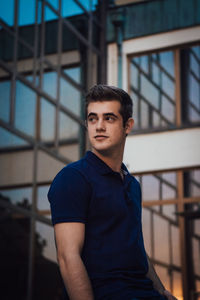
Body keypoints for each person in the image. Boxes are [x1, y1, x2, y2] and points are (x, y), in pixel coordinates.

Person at [48, 84, 178, 300]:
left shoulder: (132, 185)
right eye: (92, 118)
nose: (99, 126)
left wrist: (162, 291)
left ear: (128, 125)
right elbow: (68, 257)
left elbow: (136, 248)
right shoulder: (73, 178)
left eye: (109, 118)